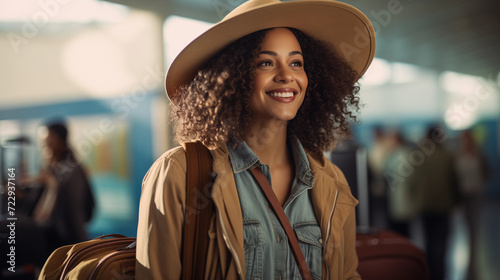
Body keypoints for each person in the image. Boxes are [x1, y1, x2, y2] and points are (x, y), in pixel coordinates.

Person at [136, 0, 376, 279]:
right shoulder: (179, 173)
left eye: (296, 62)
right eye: (266, 62)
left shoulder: (331, 181)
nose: (287, 75)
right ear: (230, 77)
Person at [32, 122, 95, 252]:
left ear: (61, 140)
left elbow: (74, 209)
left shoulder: (72, 170)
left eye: (50, 139)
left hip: (68, 241)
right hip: (49, 239)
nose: (45, 143)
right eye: (44, 139)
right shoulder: (49, 170)